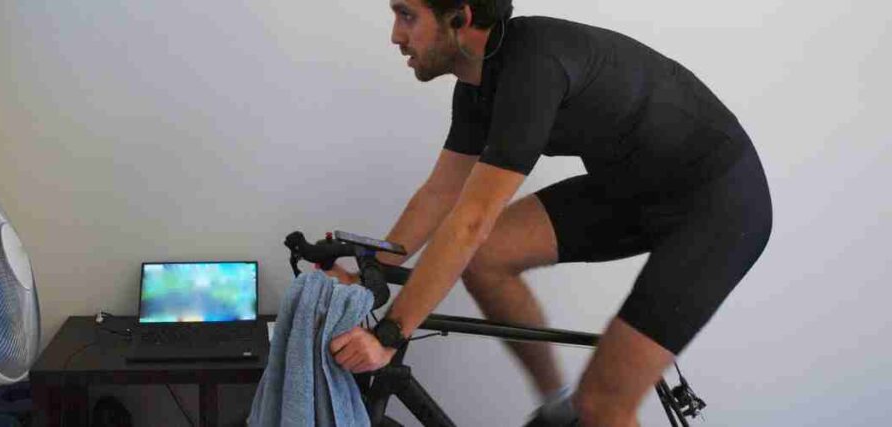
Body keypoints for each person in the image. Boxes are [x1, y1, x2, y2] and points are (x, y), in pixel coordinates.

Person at [326, 0, 773, 425]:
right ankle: (558, 407)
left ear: (460, 17)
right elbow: (439, 195)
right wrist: (371, 274)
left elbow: (470, 221)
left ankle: (587, 411)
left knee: (603, 405)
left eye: (407, 15)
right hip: (630, 191)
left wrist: (389, 335)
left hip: (716, 204)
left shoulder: (534, 67)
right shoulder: (476, 88)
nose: (395, 35)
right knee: (487, 259)